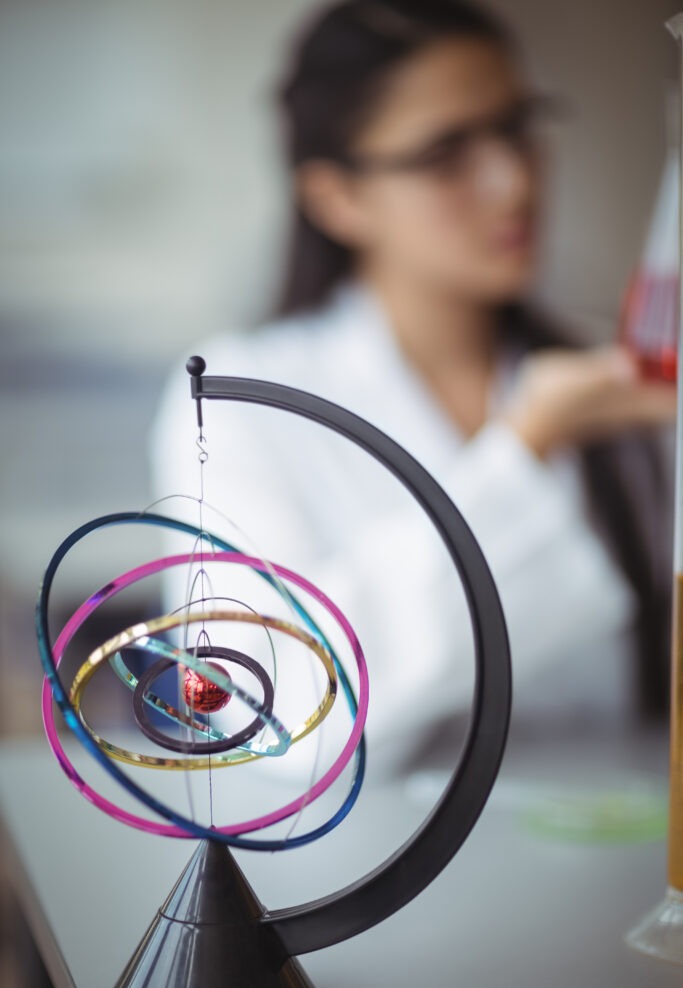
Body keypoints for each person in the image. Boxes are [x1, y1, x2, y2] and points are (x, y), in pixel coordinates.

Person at [151, 0, 675, 775]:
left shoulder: (614, 382)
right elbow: (266, 711)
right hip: (368, 878)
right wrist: (526, 446)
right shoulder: (237, 400)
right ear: (336, 197)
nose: (513, 181)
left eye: (517, 127)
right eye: (444, 154)